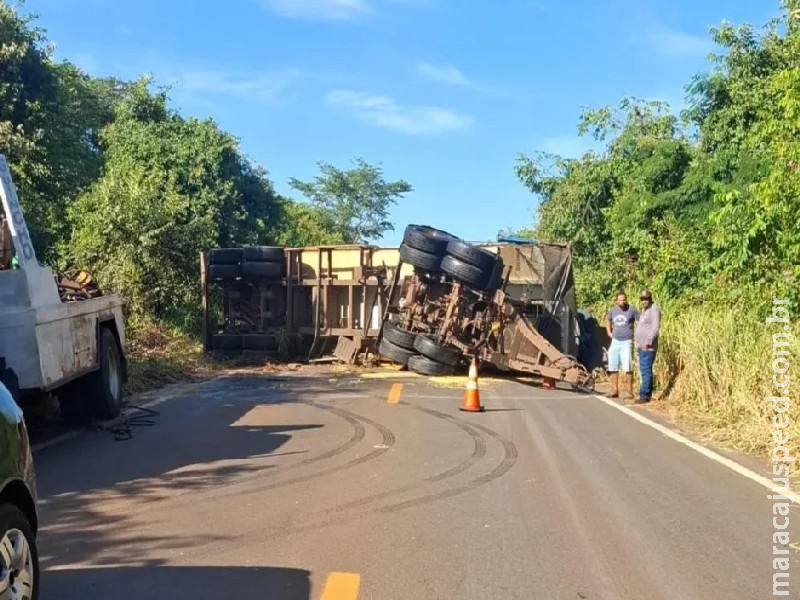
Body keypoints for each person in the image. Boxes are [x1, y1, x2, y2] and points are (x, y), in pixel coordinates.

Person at [605, 290, 639, 398]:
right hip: (615, 340)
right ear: (616, 301)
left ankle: (629, 391)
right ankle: (615, 389)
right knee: (613, 364)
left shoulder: (631, 310)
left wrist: (638, 334)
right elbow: (608, 319)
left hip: (626, 341)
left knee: (627, 365)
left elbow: (640, 320)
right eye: (620, 300)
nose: (623, 302)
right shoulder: (613, 311)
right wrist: (609, 332)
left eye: (624, 299)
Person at [634, 289, 660, 403]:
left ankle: (645, 395)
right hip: (641, 346)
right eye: (642, 299)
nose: (644, 301)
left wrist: (648, 342)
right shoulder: (645, 310)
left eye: (646, 299)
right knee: (644, 370)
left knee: (646, 370)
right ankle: (644, 392)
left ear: (650, 298)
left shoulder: (654, 310)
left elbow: (655, 328)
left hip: (647, 347)